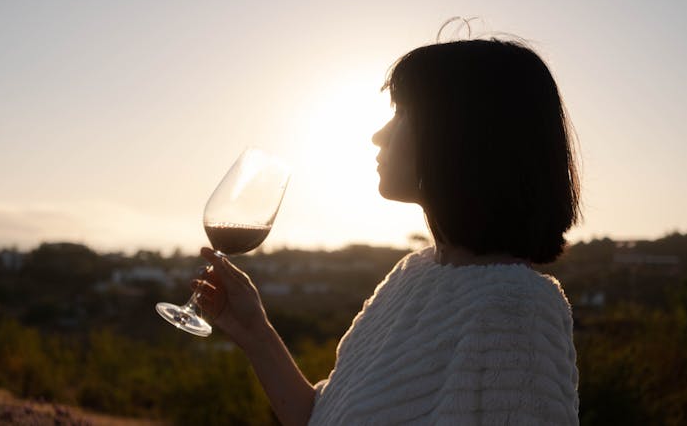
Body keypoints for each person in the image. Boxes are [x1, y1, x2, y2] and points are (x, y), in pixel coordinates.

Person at [193, 38, 581, 425]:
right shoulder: (411, 278)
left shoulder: (516, 310)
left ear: (459, 135)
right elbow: (323, 418)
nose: (378, 135)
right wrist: (256, 333)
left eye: (401, 114)